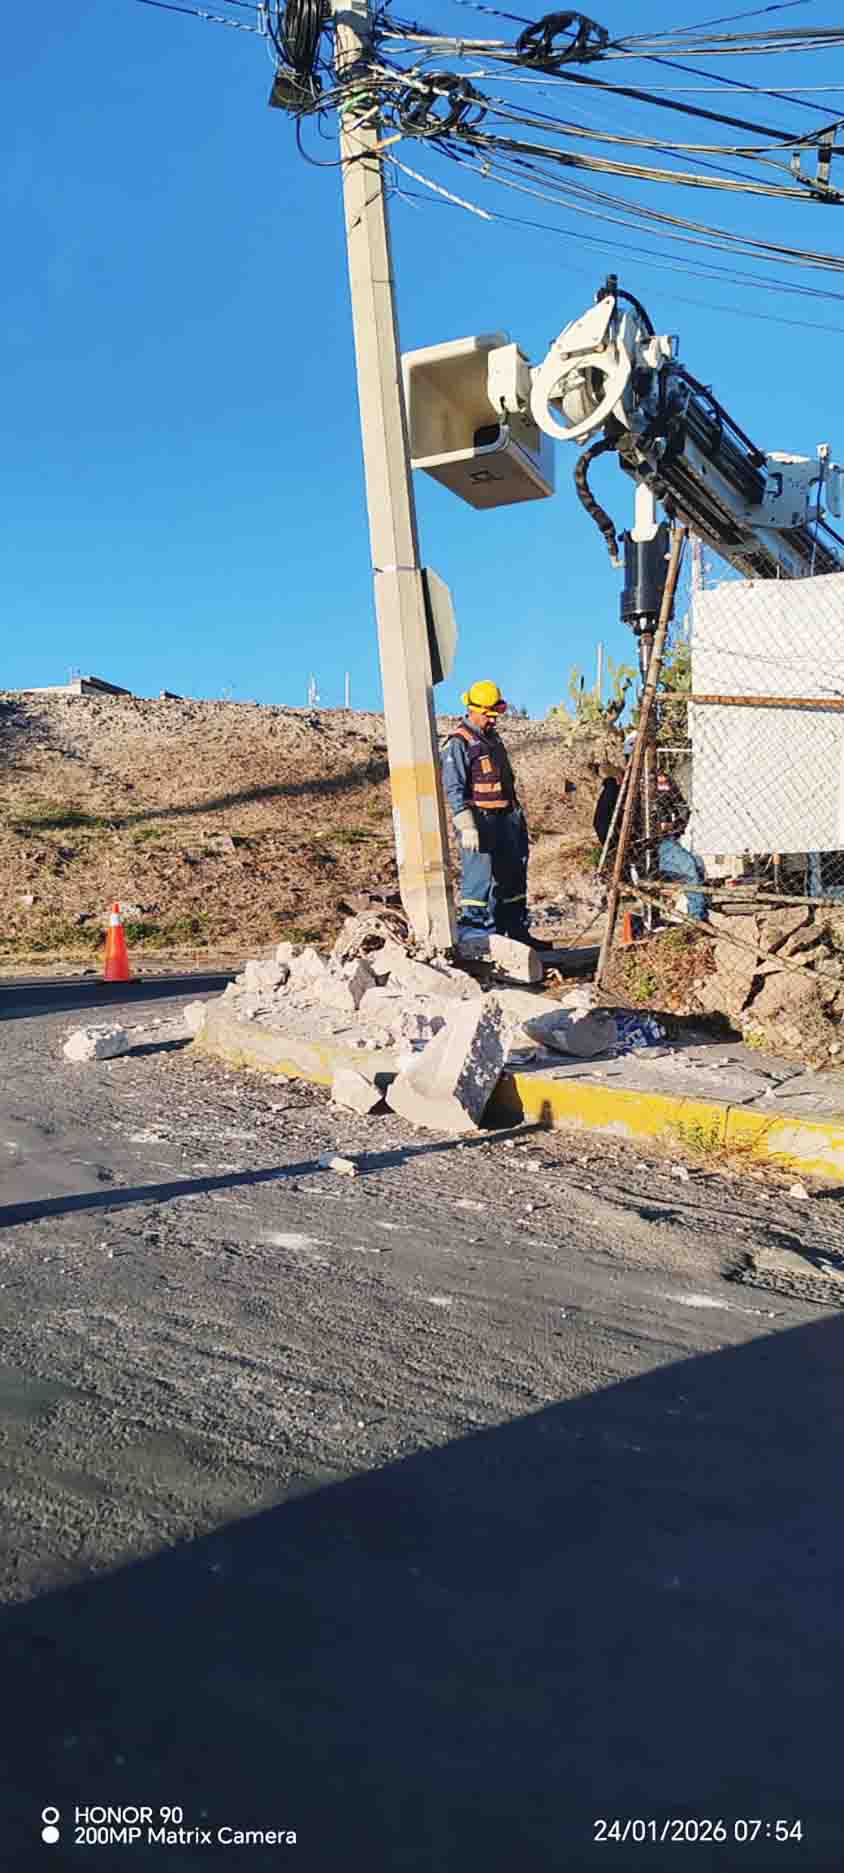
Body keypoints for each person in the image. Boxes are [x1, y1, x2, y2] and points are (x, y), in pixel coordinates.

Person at [441, 680, 547, 949]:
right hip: (480, 821)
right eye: (488, 715)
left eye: (494, 715)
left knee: (512, 877)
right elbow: (454, 788)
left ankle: (515, 933)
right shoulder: (458, 743)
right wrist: (467, 825)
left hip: (505, 820)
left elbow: (505, 782)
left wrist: (516, 818)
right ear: (473, 710)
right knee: (478, 880)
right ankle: (476, 936)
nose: (493, 720)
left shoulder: (493, 739)